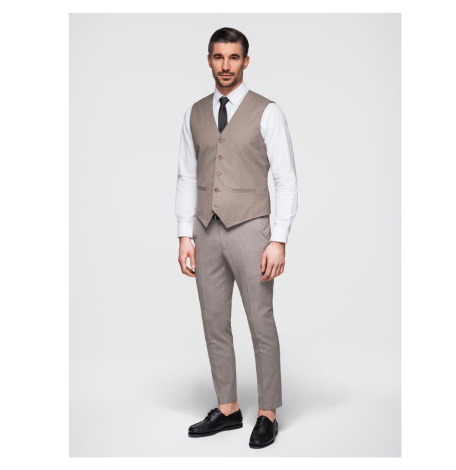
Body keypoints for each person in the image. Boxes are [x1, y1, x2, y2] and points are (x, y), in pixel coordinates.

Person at [175, 27, 298, 449]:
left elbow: (286, 179)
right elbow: (186, 176)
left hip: (251, 229)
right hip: (205, 230)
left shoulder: (267, 112)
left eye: (233, 57)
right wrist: (184, 234)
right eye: (218, 57)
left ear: (246, 61)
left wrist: (278, 239)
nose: (225, 65)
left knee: (260, 321)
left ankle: (268, 413)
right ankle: (227, 408)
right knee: (214, 322)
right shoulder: (194, 113)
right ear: (209, 60)